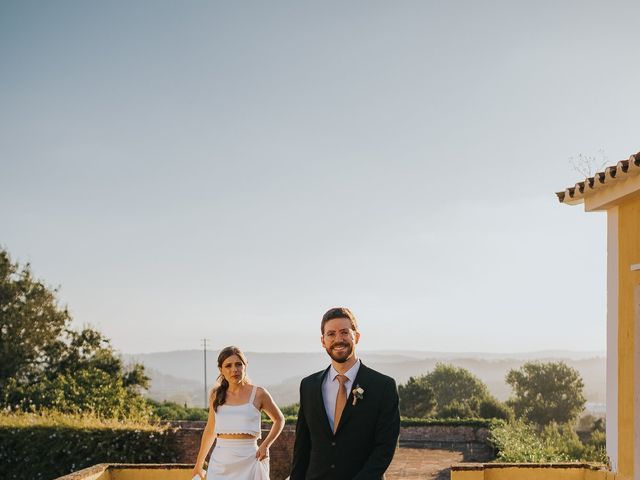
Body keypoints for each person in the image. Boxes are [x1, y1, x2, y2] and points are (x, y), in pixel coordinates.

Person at [290, 307, 401, 480]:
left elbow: (385, 448)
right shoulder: (308, 385)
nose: (338, 339)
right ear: (323, 341)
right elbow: (302, 445)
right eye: (331, 334)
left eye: (344, 332)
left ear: (356, 336)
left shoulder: (383, 386)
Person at [191, 346, 285, 480]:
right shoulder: (216, 395)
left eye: (238, 364)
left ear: (245, 366)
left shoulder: (259, 394)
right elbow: (210, 431)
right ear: (221, 370)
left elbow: (279, 420)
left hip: (251, 460)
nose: (234, 369)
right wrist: (199, 464)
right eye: (228, 366)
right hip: (220, 463)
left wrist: (266, 445)